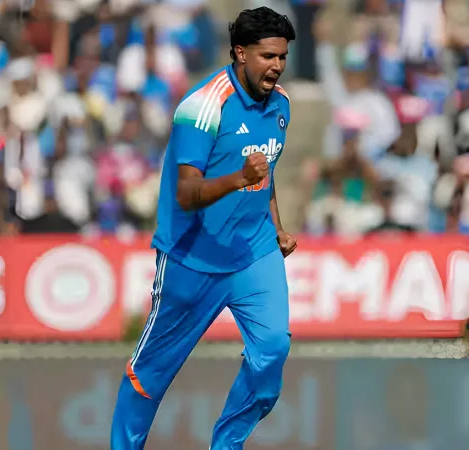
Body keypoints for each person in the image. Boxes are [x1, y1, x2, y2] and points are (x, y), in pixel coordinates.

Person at [110, 7, 298, 449]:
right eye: (268, 56)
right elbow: (187, 194)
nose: (276, 66)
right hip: (191, 258)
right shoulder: (201, 107)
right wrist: (239, 179)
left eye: (282, 57)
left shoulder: (281, 104)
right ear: (240, 52)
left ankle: (226, 445)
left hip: (253, 253)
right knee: (149, 377)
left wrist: (277, 226)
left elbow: (266, 171)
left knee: (272, 352)